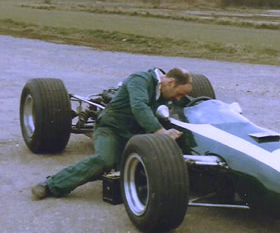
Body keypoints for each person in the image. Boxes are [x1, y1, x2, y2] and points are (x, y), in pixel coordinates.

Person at [31, 67, 193, 199]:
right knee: (105, 160)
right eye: (180, 94)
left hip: (136, 134)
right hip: (111, 129)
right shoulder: (140, 79)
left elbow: (191, 104)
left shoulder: (167, 90)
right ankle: (52, 185)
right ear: (170, 82)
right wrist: (160, 132)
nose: (179, 99)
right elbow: (139, 107)